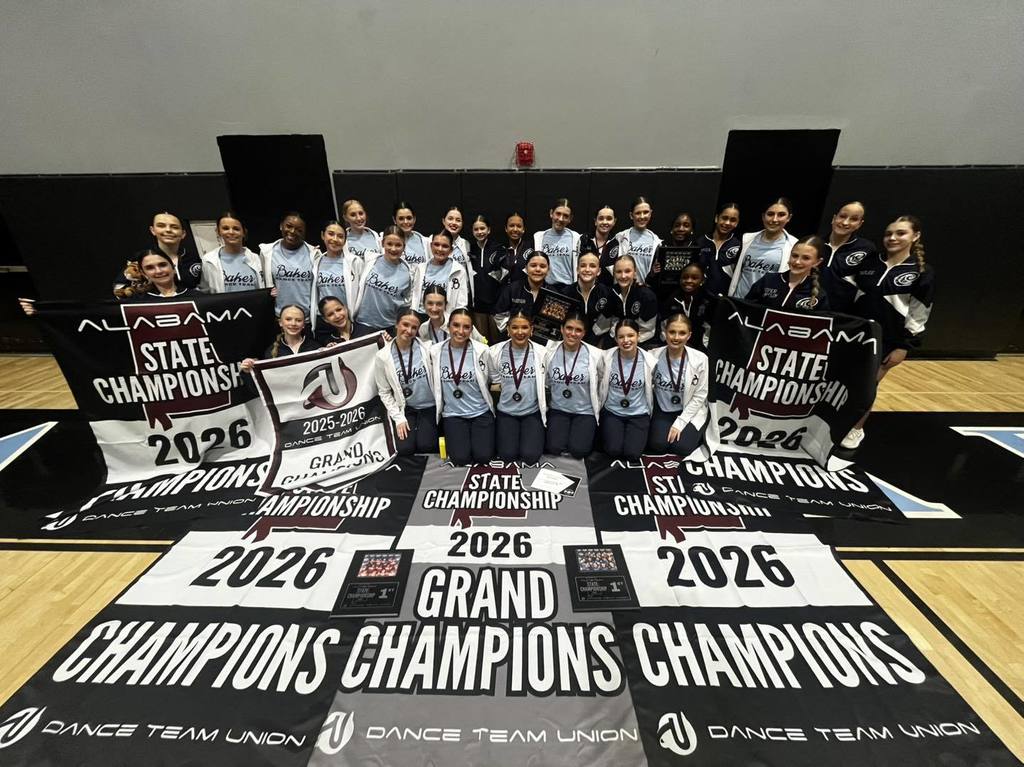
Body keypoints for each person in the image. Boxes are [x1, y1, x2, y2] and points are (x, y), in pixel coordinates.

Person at [842, 216, 935, 449]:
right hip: (855, 335)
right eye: (888, 233)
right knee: (844, 383)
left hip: (887, 341)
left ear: (915, 236)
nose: (892, 238)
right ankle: (835, 423)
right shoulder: (869, 263)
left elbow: (919, 313)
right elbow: (848, 294)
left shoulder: (922, 271)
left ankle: (856, 429)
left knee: (867, 386)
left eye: (900, 233)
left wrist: (904, 346)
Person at [430, 308, 495, 465]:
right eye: (456, 325)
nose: (460, 331)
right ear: (448, 326)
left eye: (466, 327)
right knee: (460, 459)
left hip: (480, 412)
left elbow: (494, 379)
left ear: (472, 329)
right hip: (453, 415)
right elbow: (411, 344)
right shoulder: (434, 351)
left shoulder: (483, 351)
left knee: (483, 457)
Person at [375, 309, 439, 456]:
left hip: (430, 406)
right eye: (405, 324)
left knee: (426, 446)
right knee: (405, 448)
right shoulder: (383, 357)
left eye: (414, 327)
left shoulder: (428, 348)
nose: (409, 330)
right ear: (396, 324)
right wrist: (398, 418)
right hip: (406, 408)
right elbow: (384, 391)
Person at [486, 311, 548, 463]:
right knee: (507, 456)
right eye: (514, 327)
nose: (520, 332)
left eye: (525, 327)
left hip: (532, 412)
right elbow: (495, 382)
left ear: (531, 330)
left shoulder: (542, 353)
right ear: (507, 330)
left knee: (531, 457)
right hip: (506, 412)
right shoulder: (494, 352)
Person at [647, 313, 710, 457]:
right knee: (658, 445)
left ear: (689, 335)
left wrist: (680, 423)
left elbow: (700, 396)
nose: (676, 337)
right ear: (664, 333)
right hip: (663, 408)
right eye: (672, 332)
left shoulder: (700, 360)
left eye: (682, 333)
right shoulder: (652, 356)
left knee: (682, 448)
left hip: (689, 410)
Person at [544, 311, 603, 457]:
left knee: (579, 451)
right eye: (569, 328)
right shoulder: (548, 352)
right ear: (562, 329)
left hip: (584, 411)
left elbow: (602, 380)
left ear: (584, 333)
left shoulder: (595, 355)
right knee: (554, 447)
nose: (573, 333)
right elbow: (545, 381)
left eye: (578, 330)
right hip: (558, 409)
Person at [598, 319, 656, 460]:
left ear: (638, 336)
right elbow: (599, 379)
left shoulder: (650, 361)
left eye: (630, 335)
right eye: (621, 337)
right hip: (613, 412)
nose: (626, 340)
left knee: (633, 454)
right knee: (613, 450)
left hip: (639, 413)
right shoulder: (606, 358)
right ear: (616, 339)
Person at [113, 211, 202, 295]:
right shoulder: (141, 260)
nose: (168, 230)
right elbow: (119, 290)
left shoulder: (194, 259)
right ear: (152, 230)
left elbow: (205, 289)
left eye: (174, 227)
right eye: (161, 226)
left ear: (183, 233)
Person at [351, 225, 415, 336]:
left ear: (404, 246)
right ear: (382, 243)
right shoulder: (370, 262)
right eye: (389, 244)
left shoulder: (408, 273)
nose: (393, 249)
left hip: (389, 328)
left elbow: (407, 304)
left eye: (398, 245)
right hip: (363, 324)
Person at [728, 198, 797, 299]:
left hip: (764, 306)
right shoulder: (746, 239)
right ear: (763, 216)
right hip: (738, 301)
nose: (774, 219)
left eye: (781, 215)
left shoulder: (794, 245)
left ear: (789, 218)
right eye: (770, 214)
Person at [747, 235, 831, 311]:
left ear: (817, 262)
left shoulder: (819, 295)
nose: (797, 262)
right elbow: (746, 307)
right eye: (794, 256)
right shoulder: (768, 280)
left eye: (806, 258)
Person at [822, 201, 876, 312]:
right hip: (808, 310)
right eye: (842, 216)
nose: (845, 222)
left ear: (860, 224)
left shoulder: (867, 249)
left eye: (854, 219)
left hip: (841, 316)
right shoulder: (815, 244)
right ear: (834, 218)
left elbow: (867, 288)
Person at [260, 212, 316, 317]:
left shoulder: (314, 254)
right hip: (279, 318)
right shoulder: (267, 252)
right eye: (289, 226)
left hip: (307, 318)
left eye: (299, 230)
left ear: (304, 233)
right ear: (281, 226)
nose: (292, 231)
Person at [599, 254, 659, 348]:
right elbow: (604, 323)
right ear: (614, 273)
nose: (623, 276)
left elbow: (648, 330)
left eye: (627, 271)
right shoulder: (611, 293)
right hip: (615, 340)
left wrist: (628, 342)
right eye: (619, 272)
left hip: (640, 342)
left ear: (635, 272)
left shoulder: (647, 296)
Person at [199, 212, 265, 294]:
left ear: (244, 232)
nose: (231, 232)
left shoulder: (257, 259)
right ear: (218, 231)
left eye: (236, 229)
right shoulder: (208, 261)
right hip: (224, 306)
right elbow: (205, 291)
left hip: (253, 306)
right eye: (225, 228)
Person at [241, 305, 320, 372]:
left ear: (303, 325)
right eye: (288, 319)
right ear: (280, 323)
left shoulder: (316, 348)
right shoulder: (270, 352)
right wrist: (249, 370)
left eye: (298, 320)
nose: (293, 323)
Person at [559, 249, 611, 347]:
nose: (587, 269)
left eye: (592, 266)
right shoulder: (565, 293)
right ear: (577, 269)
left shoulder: (607, 294)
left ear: (599, 271)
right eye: (583, 265)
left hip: (597, 345)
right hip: (569, 343)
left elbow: (605, 325)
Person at [468, 214, 505, 341]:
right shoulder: (469, 250)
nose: (479, 232)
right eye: (476, 229)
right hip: (477, 306)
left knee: (496, 343)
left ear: (488, 230)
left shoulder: (499, 249)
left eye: (482, 228)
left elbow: (504, 277)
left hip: (496, 306)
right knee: (482, 342)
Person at [493, 250, 550, 334]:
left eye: (542, 266)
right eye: (533, 265)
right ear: (526, 268)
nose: (538, 269)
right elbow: (499, 315)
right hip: (515, 338)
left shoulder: (553, 294)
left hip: (542, 342)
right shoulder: (512, 289)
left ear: (548, 270)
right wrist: (512, 332)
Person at [312, 220, 361, 315]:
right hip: (325, 320)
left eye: (340, 236)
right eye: (331, 234)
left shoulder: (355, 262)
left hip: (348, 319)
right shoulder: (316, 262)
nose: (335, 239)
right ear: (323, 235)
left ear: (345, 240)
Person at [412, 231, 469, 313]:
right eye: (436, 244)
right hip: (421, 316)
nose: (440, 249)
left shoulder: (459, 270)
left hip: (445, 319)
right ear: (431, 246)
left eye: (445, 246)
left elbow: (461, 304)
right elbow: (415, 298)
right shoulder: (421, 268)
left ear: (451, 250)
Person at [659, 262, 710, 351]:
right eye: (685, 277)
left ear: (702, 280)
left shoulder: (707, 301)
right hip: (673, 346)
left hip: (698, 349)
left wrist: (702, 350)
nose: (689, 281)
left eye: (694, 278)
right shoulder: (671, 299)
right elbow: (664, 327)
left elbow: (708, 332)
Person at [614, 197, 663, 285]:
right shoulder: (620, 237)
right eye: (638, 213)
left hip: (645, 292)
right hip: (623, 289)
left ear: (650, 213)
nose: (642, 216)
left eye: (646, 212)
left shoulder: (657, 242)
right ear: (631, 215)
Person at [533, 198, 581, 286]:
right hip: (545, 288)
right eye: (558, 214)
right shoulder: (538, 237)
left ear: (570, 219)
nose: (561, 219)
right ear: (551, 213)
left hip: (568, 289)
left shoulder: (576, 238)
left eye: (565, 216)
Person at [698, 202, 742, 296]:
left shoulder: (739, 246)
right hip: (700, 297)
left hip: (725, 299)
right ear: (717, 218)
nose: (727, 223)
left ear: (737, 223)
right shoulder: (701, 242)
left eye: (733, 220)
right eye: (724, 218)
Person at [117, 250, 197, 301]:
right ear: (144, 273)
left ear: (173, 268)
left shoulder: (197, 297)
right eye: (150, 268)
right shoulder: (135, 302)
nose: (158, 271)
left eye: (162, 265)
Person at [419, 284, 485, 344]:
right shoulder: (423, 329)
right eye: (430, 303)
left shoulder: (460, 321)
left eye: (439, 304)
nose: (434, 308)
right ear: (424, 305)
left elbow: (482, 344)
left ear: (445, 305)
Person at [579, 205, 619, 286]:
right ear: (595, 221)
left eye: (609, 218)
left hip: (607, 292)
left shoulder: (618, 243)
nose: (605, 222)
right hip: (583, 289)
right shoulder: (583, 240)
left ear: (614, 221)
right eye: (601, 218)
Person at [441, 206, 475, 302]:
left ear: (462, 223)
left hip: (461, 295)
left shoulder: (466, 244)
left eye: (458, 220)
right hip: (440, 294)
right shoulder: (433, 242)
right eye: (450, 219)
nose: (454, 223)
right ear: (444, 221)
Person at [393, 202, 431, 267]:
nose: (405, 222)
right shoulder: (387, 242)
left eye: (409, 218)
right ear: (394, 220)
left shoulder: (426, 242)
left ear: (414, 219)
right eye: (401, 219)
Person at [501, 212, 533, 284]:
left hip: (525, 292)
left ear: (523, 229)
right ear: (506, 228)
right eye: (511, 225)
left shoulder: (531, 247)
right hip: (505, 293)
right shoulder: (500, 249)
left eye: (519, 226)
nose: (515, 229)